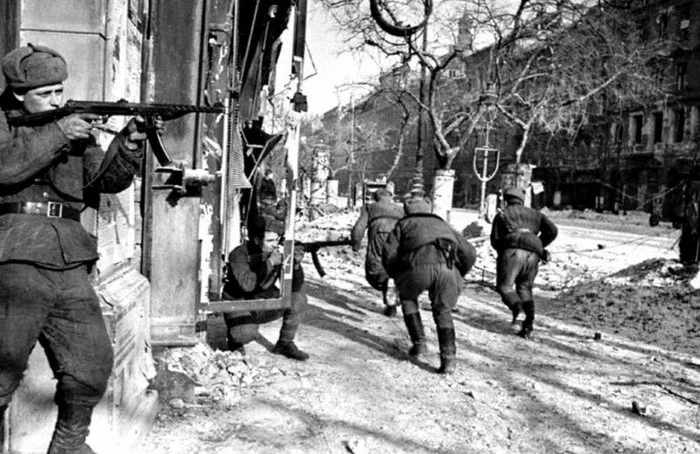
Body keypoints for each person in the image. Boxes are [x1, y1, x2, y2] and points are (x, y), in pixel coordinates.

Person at [0, 43, 159, 453]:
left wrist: (128, 145)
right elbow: (4, 168)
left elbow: (104, 181)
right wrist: (57, 133)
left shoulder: (68, 126)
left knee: (93, 362)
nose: (58, 99)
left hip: (70, 257)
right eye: (47, 93)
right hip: (15, 252)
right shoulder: (5, 121)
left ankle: (69, 445)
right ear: (19, 93)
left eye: (60, 90)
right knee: (2, 363)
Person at [383, 196, 476, 374]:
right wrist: (458, 274)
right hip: (448, 270)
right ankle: (449, 360)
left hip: (416, 269)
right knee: (443, 311)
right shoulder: (444, 226)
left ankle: (419, 344)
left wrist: (396, 275)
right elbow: (469, 252)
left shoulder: (403, 225)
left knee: (407, 298)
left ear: (407, 210)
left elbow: (389, 254)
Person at [222, 215, 309, 361]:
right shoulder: (239, 255)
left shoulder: (277, 252)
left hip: (264, 301)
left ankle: (285, 343)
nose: (275, 245)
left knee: (298, 299)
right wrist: (269, 263)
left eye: (277, 240)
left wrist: (295, 264)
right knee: (245, 334)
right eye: (270, 241)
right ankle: (234, 341)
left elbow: (294, 286)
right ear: (256, 240)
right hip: (239, 303)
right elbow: (247, 285)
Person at [489, 187, 558, 339]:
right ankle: (527, 327)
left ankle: (518, 310)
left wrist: (503, 253)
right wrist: (539, 244)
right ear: (522, 200)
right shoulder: (536, 214)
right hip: (533, 255)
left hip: (512, 252)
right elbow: (553, 231)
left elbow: (495, 240)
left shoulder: (502, 214)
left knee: (505, 287)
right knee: (525, 288)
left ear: (506, 200)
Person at [350, 188, 405, 317]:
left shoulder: (371, 207)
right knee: (394, 268)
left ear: (376, 197)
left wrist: (356, 243)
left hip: (378, 234)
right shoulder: (400, 209)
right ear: (390, 197)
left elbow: (359, 227)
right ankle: (391, 303)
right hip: (398, 235)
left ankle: (383, 285)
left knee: (376, 264)